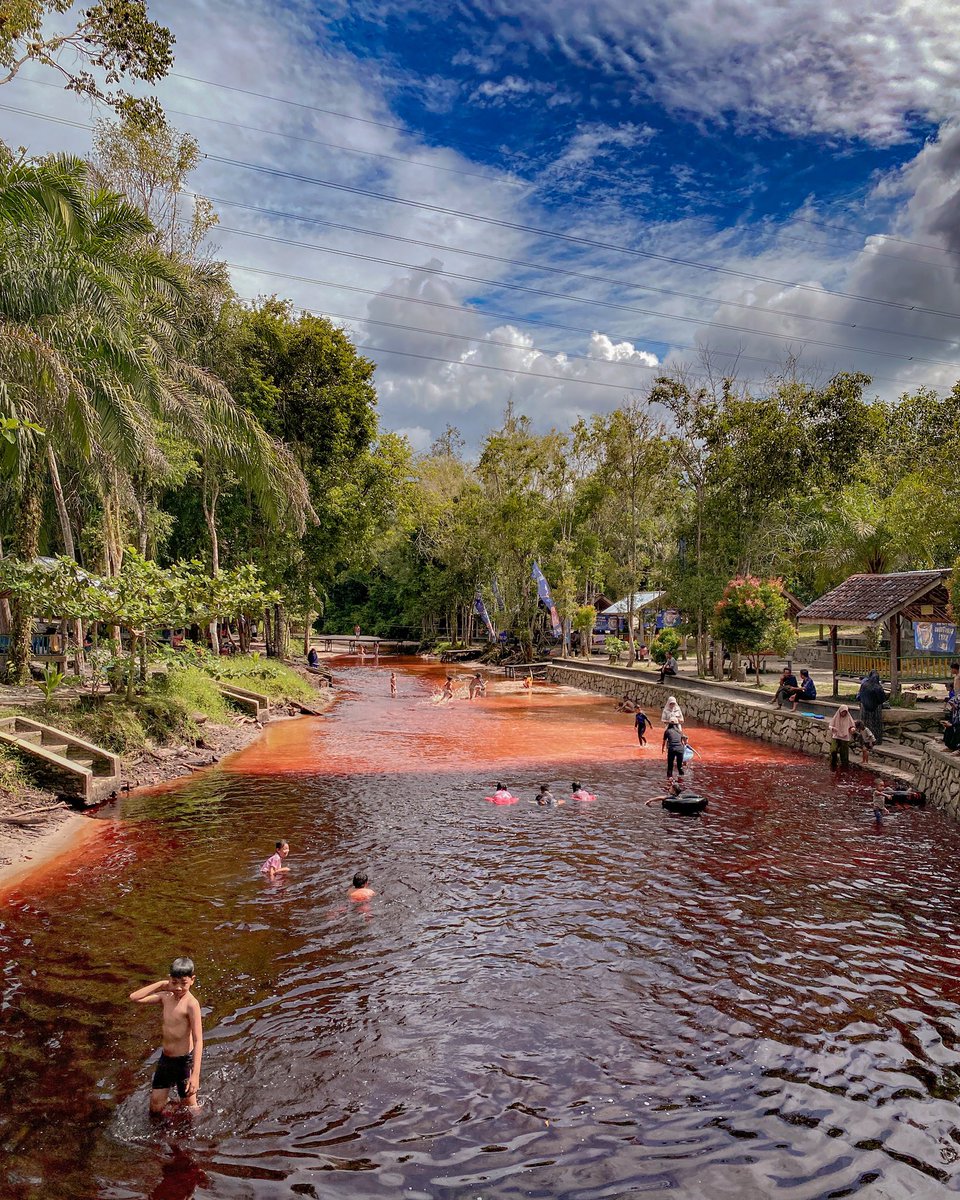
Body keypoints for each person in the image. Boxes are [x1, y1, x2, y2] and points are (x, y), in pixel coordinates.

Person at [130, 957, 203, 1114]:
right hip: (166, 1059)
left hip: (183, 1062)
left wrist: (195, 1075)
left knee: (190, 1107)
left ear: (192, 980)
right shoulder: (165, 997)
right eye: (174, 982)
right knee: (155, 1106)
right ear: (170, 979)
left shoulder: (191, 1004)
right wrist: (161, 984)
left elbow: (198, 1040)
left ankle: (197, 1133)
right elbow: (134, 997)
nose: (178, 988)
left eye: (183, 983)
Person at [858, 669, 887, 745]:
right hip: (875, 710)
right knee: (875, 726)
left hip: (864, 709)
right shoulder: (878, 687)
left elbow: (859, 696)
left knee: (865, 726)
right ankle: (875, 740)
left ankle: (863, 740)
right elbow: (882, 699)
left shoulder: (864, 684)